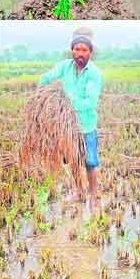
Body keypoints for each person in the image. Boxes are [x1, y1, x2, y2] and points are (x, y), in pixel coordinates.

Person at [37, 26, 103, 213]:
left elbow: (89, 102)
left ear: (90, 52)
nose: (79, 53)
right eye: (76, 49)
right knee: (72, 161)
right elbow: (49, 76)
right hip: (66, 127)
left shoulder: (94, 74)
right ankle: (77, 192)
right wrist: (40, 88)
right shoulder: (65, 66)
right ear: (72, 50)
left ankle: (92, 195)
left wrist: (68, 102)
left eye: (84, 50)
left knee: (90, 163)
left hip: (86, 126)